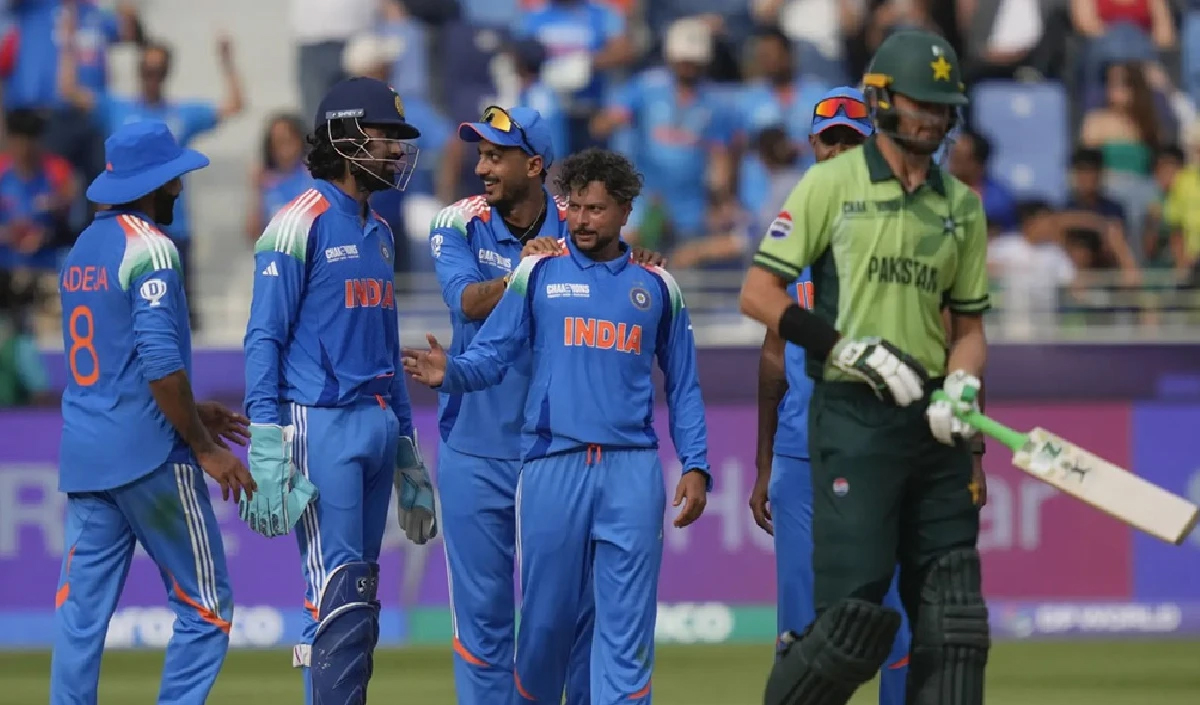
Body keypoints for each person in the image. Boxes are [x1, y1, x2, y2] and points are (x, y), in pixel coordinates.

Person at [738, 30, 991, 705]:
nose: (931, 120)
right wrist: (843, 349)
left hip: (923, 438)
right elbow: (761, 309)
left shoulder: (959, 207)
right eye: (829, 140)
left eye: (941, 108)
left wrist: (963, 396)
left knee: (944, 628)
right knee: (838, 627)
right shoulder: (823, 193)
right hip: (828, 434)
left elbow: (965, 333)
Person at [406, 148, 710, 704]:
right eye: (574, 208)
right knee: (544, 628)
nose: (581, 221)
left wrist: (696, 464)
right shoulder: (538, 271)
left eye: (596, 209)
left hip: (631, 470)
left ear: (625, 210)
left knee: (626, 631)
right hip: (553, 466)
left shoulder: (658, 284)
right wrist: (452, 373)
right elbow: (493, 355)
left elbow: (685, 385)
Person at [241, 76, 436, 705]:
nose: (396, 150)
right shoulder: (298, 221)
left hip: (377, 422)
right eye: (385, 135)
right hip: (321, 423)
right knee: (335, 593)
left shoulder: (379, 230)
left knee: (361, 597)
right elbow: (263, 337)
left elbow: (386, 345)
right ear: (346, 136)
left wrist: (407, 448)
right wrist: (266, 437)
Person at [49, 120, 255, 705]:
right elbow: (161, 367)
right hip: (150, 455)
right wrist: (204, 446)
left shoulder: (81, 249)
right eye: (173, 179)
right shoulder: (151, 247)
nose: (179, 189)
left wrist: (195, 410)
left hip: (87, 454)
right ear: (153, 183)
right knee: (205, 607)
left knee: (79, 616)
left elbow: (118, 359)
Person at [749, 86, 911, 705]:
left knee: (896, 621)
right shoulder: (789, 233)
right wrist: (764, 464)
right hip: (800, 457)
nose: (839, 151)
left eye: (851, 140)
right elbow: (773, 355)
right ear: (813, 146)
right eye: (829, 140)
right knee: (801, 630)